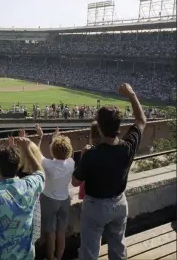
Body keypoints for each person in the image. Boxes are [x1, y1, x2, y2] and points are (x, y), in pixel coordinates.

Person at [72, 83, 146, 260]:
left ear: (99, 128)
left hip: (95, 207)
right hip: (120, 203)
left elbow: (75, 181)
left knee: (89, 252)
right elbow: (141, 121)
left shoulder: (91, 154)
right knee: (118, 249)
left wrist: (82, 158)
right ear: (118, 125)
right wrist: (131, 94)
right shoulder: (128, 147)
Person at [41, 127, 75, 260]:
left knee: (50, 233)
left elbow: (36, 153)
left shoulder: (48, 164)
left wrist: (42, 137)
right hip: (65, 200)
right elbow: (62, 153)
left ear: (52, 150)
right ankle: (59, 257)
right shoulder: (71, 163)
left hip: (49, 200)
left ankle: (50, 258)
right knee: (61, 232)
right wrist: (57, 138)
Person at [14, 125, 44, 246]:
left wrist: (17, 148)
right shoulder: (38, 178)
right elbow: (36, 157)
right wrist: (39, 139)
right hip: (34, 217)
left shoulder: (16, 176)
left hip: (19, 221)